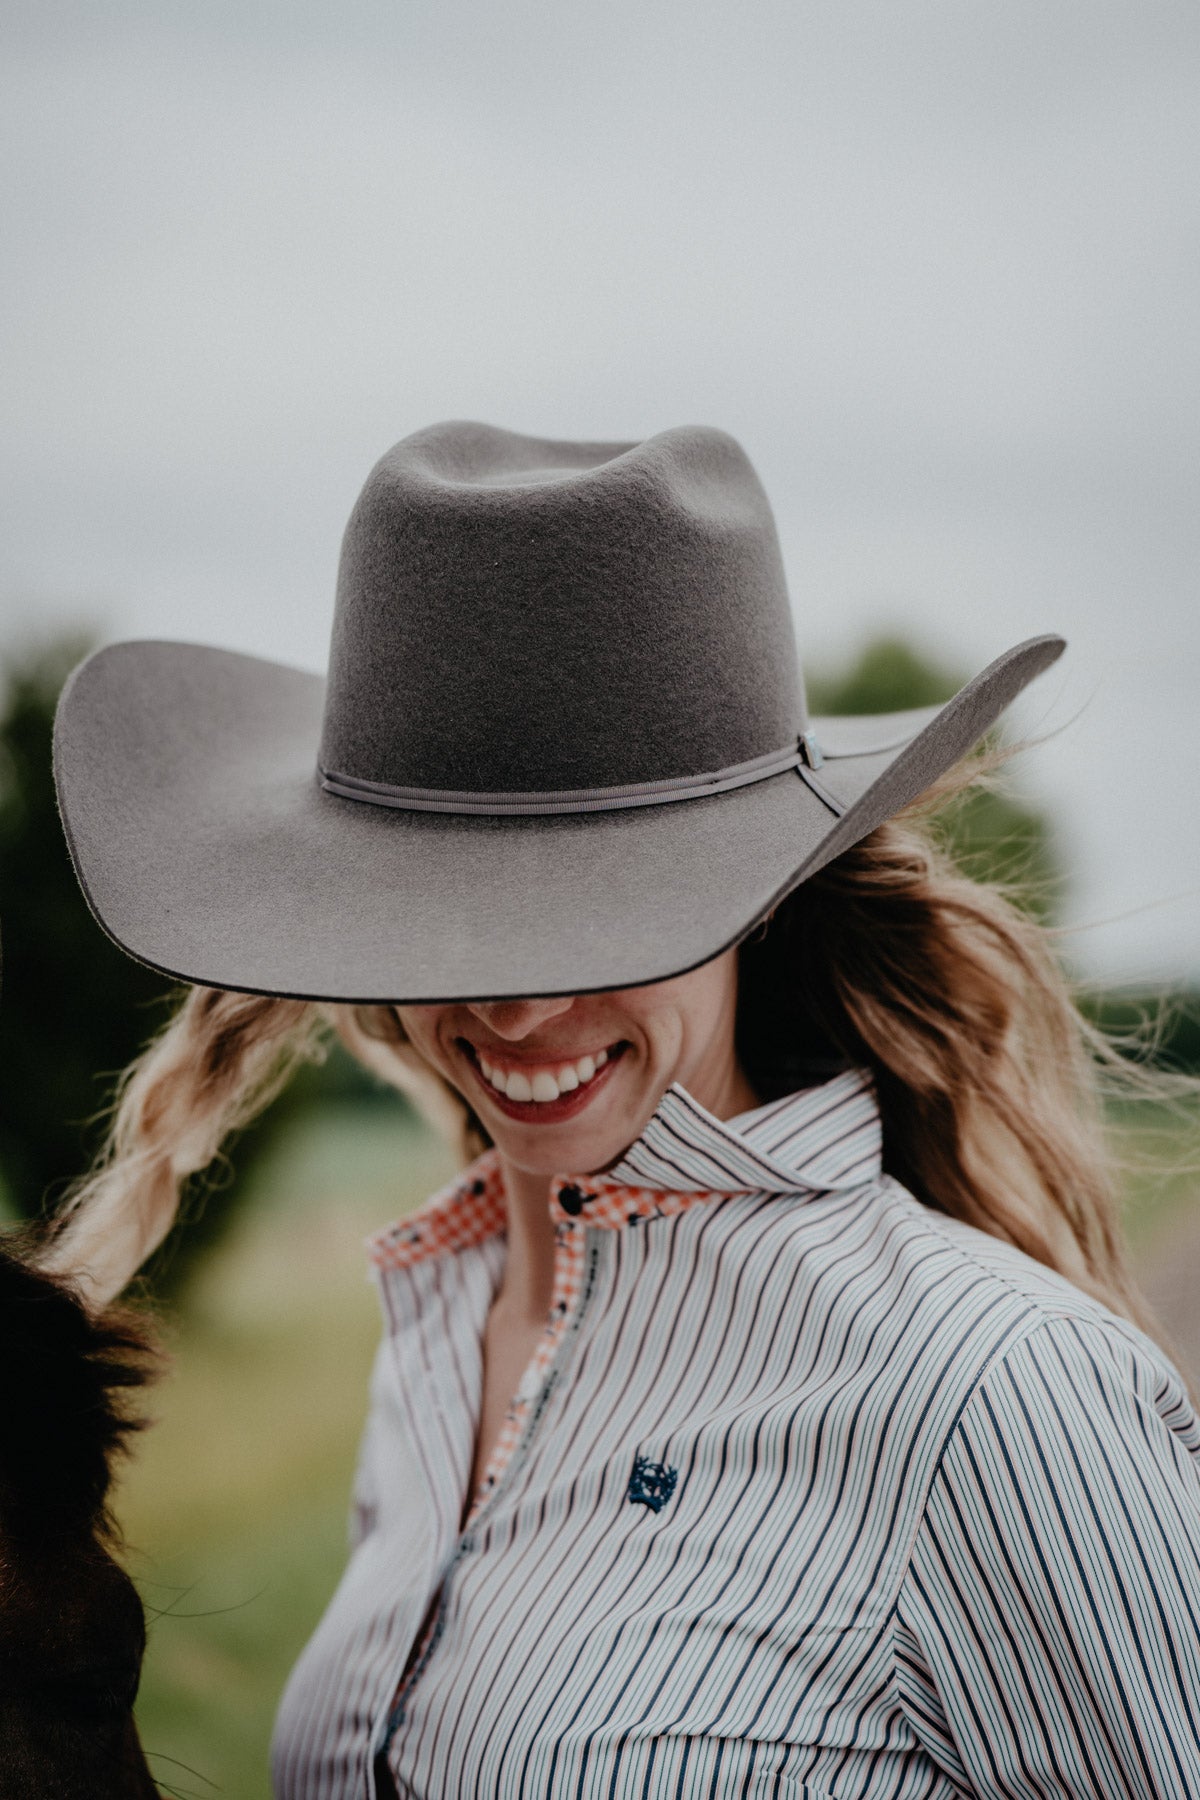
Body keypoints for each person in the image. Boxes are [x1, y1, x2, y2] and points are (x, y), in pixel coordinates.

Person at [48, 422, 1200, 1798]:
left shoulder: (995, 1392)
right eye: (443, 911)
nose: (520, 1012)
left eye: (609, 908)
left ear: (756, 899)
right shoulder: (437, 1338)